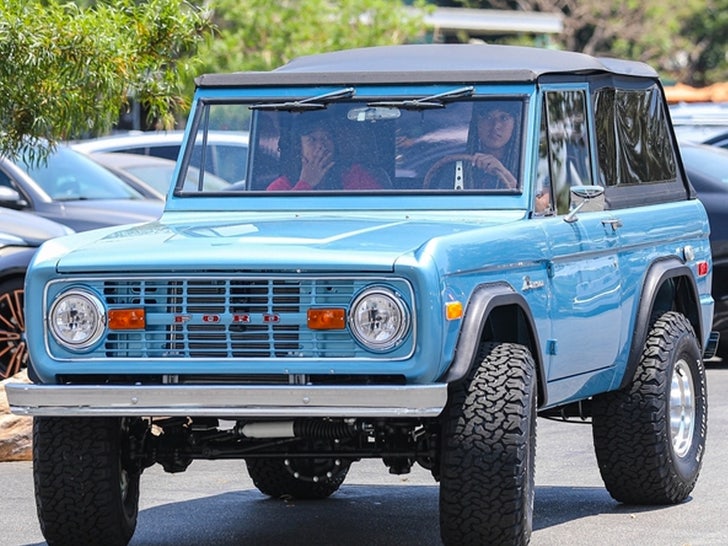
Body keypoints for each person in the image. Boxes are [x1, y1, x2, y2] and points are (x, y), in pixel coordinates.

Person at [266, 116, 384, 191]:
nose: (321, 146)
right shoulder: (281, 187)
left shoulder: (356, 176)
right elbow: (272, 224)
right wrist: (306, 183)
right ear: (299, 147)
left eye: (327, 138)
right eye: (312, 140)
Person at [467, 101, 521, 189]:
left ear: (515, 124)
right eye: (488, 117)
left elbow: (539, 202)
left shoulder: (530, 166)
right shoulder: (457, 168)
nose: (495, 125)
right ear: (477, 123)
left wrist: (505, 175)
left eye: (503, 118)